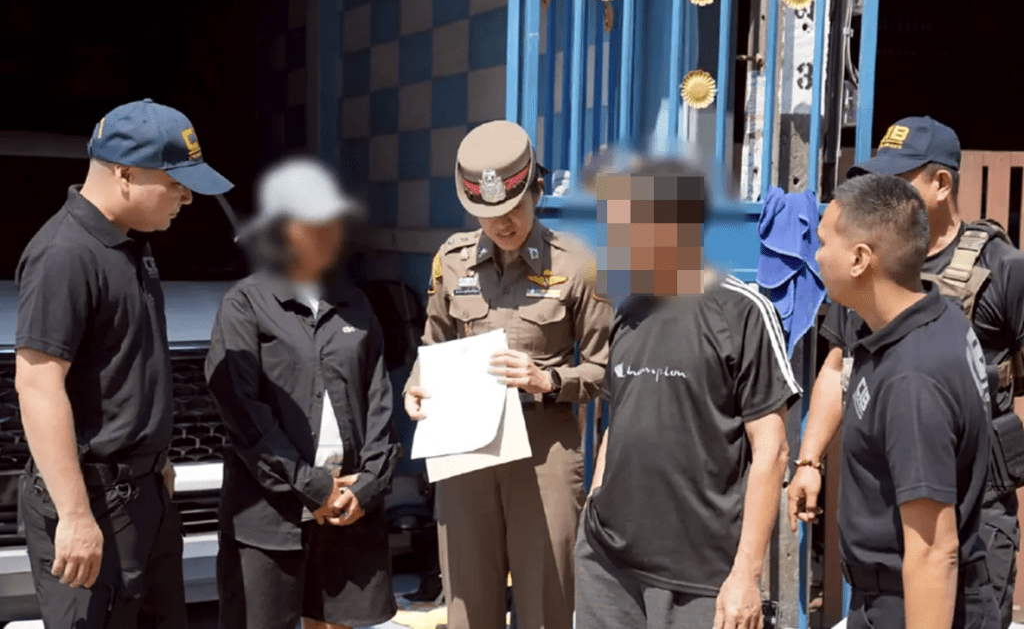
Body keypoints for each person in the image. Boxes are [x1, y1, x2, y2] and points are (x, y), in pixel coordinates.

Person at [788, 116, 1024, 628]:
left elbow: (934, 552)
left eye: (898, 180)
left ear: (941, 184)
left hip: (969, 513)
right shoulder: (892, 291)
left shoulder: (1000, 269)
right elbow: (837, 366)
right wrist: (809, 459)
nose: (880, 194)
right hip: (901, 529)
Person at [14, 98, 233, 627]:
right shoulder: (65, 254)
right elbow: (38, 385)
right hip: (92, 503)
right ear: (125, 174)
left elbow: (127, 367)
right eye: (176, 183)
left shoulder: (127, 246)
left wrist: (155, 459)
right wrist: (74, 515)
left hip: (144, 497)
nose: (187, 197)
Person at [403, 119, 614, 629]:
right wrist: (416, 386)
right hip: (465, 447)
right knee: (468, 602)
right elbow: (433, 345)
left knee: (545, 602)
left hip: (543, 446)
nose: (503, 223)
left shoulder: (579, 265)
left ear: (536, 189)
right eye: (489, 213)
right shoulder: (452, 262)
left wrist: (549, 381)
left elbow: (606, 370)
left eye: (514, 208)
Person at [574, 157, 801, 629]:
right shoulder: (629, 310)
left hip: (702, 579)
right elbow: (619, 422)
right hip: (609, 565)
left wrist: (746, 576)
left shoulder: (743, 311)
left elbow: (773, 450)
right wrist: (594, 505)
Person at [205, 156, 401, 629]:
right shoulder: (245, 304)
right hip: (270, 514)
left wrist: (370, 482)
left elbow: (379, 400)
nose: (329, 234)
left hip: (348, 506)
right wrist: (312, 485)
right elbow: (242, 411)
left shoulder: (355, 303)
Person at [813, 172, 998, 628]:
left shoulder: (912, 377)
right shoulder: (935, 317)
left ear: (860, 259)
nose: (816, 255)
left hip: (911, 605)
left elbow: (933, 551)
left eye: (823, 242)